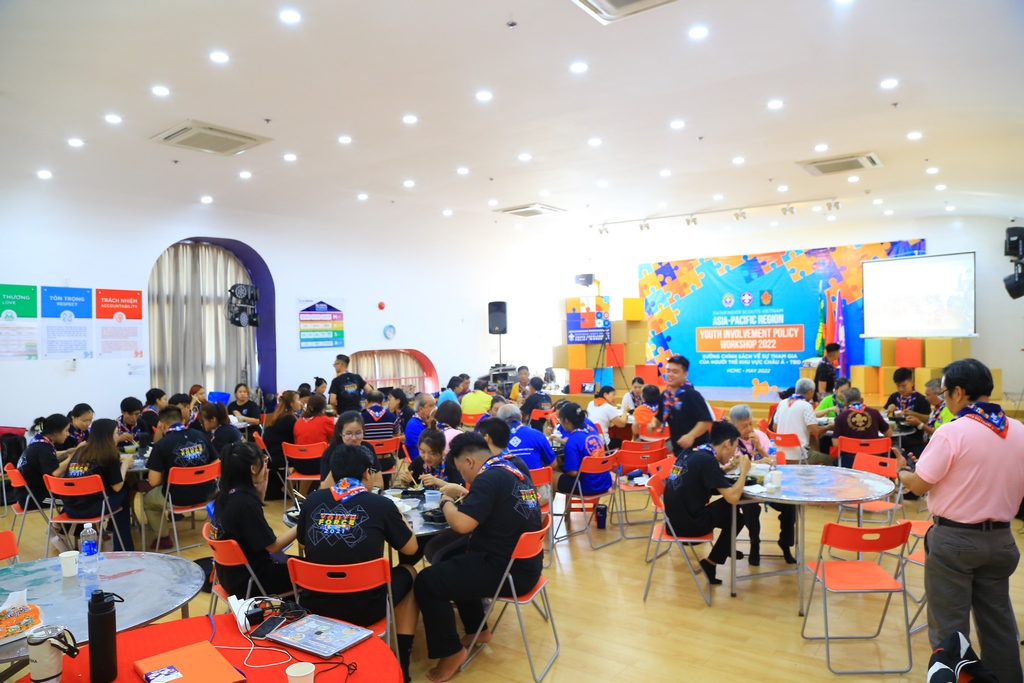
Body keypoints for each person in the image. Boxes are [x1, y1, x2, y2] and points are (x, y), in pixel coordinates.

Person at [894, 359, 1024, 683]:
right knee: (999, 625)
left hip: (954, 541)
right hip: (1002, 540)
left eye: (944, 393)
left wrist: (903, 472)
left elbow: (919, 485)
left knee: (950, 633)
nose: (944, 399)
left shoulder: (952, 431)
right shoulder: (1019, 430)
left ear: (959, 392)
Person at [414, 432, 542, 683]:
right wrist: (462, 491)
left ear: (470, 462)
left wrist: (446, 501)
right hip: (526, 564)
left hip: (507, 571)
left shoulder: (488, 478)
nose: (464, 476)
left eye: (462, 470)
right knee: (450, 559)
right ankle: (477, 630)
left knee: (426, 581)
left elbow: (461, 525)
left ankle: (451, 652)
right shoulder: (512, 469)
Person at [296, 444, 419, 683]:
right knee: (410, 571)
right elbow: (411, 549)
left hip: (315, 604)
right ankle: (401, 661)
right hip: (366, 608)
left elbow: (302, 544)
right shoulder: (381, 505)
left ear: (333, 473)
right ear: (366, 473)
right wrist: (398, 513)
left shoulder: (312, 501)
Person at [663, 421, 750, 585]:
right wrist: (744, 471)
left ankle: (722, 551)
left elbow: (703, 479)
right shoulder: (708, 461)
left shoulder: (692, 453)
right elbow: (733, 497)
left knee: (733, 514)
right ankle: (714, 560)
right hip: (689, 526)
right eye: (734, 448)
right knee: (735, 512)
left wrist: (727, 468)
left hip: (672, 523)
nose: (733, 454)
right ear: (727, 443)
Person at [210, 441, 297, 598]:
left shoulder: (224, 496)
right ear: (253, 469)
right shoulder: (245, 504)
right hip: (251, 580)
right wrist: (301, 523)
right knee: (308, 569)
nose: (266, 465)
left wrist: (260, 494)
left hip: (228, 576)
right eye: (264, 460)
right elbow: (273, 547)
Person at [728, 405, 795, 565]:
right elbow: (732, 468)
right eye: (744, 426)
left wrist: (759, 448)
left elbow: (774, 463)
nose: (749, 428)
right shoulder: (730, 442)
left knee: (790, 506)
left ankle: (785, 543)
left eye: (750, 424)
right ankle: (754, 543)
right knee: (750, 508)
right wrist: (756, 462)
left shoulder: (760, 436)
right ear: (734, 426)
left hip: (767, 484)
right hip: (745, 486)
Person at [144, 407, 217, 549]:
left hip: (177, 498)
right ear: (182, 420)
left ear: (162, 425)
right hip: (208, 493)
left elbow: (153, 481)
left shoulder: (162, 444)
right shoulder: (201, 436)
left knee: (147, 500)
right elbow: (216, 463)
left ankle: (164, 538)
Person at [61, 418, 135, 551]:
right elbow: (117, 486)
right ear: (108, 435)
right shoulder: (109, 453)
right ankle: (123, 548)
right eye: (116, 433)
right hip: (94, 509)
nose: (118, 436)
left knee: (110, 491)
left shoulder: (80, 451)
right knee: (124, 489)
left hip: (70, 508)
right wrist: (125, 465)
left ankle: (113, 529)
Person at [653, 355, 713, 454]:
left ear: (685, 374)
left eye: (675, 372)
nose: (670, 374)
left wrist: (691, 436)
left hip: (697, 450)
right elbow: (660, 417)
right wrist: (653, 424)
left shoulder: (691, 394)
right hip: (679, 450)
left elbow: (705, 420)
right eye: (668, 371)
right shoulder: (665, 395)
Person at [17, 414, 76, 510]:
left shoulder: (39, 442)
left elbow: (49, 463)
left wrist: (66, 454)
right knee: (77, 500)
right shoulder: (43, 448)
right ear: (56, 432)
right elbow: (55, 472)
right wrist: (72, 457)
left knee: (75, 496)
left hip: (28, 494)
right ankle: (63, 520)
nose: (68, 434)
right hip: (35, 498)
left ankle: (64, 520)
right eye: (66, 430)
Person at [555, 402, 611, 496]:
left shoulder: (572, 441)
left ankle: (561, 506)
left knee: (552, 475)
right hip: (604, 482)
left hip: (587, 486)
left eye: (560, 419)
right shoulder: (592, 433)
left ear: (566, 420)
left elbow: (573, 473)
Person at [773, 378, 831, 465]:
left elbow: (775, 428)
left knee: (812, 440)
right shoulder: (806, 405)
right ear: (810, 392)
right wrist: (829, 427)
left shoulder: (782, 403)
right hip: (799, 456)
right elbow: (817, 431)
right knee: (829, 459)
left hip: (780, 454)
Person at [831, 387, 892, 468]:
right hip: (874, 459)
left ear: (845, 403)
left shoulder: (840, 417)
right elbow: (889, 433)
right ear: (862, 400)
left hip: (850, 461)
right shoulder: (875, 413)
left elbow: (836, 444)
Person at [320, 412, 378, 486]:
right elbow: (324, 487)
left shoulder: (367, 449)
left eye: (358, 433)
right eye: (348, 434)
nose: (354, 438)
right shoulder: (330, 453)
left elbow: (379, 482)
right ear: (340, 433)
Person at [884, 367, 930, 456]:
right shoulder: (894, 397)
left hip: (914, 438)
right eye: (898, 386)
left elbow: (928, 419)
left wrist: (913, 414)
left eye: (904, 386)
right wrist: (887, 410)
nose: (901, 389)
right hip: (895, 436)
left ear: (912, 383)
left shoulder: (921, 399)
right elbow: (882, 415)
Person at [498, 404, 555, 471]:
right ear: (521, 418)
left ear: (499, 421)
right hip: (536, 477)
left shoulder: (494, 439)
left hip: (507, 477)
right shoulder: (537, 434)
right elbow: (553, 464)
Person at [262, 390, 300, 475]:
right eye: (298, 400)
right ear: (291, 403)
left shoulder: (277, 415)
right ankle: (292, 483)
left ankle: (290, 483)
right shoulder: (289, 420)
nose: (300, 402)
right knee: (310, 458)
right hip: (282, 457)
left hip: (271, 454)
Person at [404, 393, 436, 462]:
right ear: (421, 409)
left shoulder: (427, 420)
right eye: (431, 405)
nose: (435, 408)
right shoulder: (413, 426)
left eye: (435, 404)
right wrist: (430, 427)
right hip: (423, 462)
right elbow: (429, 446)